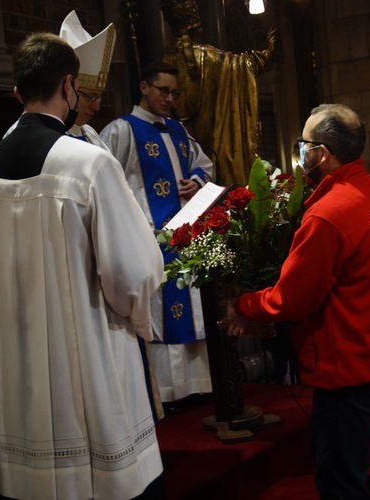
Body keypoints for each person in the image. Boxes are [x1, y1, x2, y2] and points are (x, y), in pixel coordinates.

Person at [0, 32, 165, 499]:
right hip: (88, 357)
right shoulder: (88, 165)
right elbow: (133, 271)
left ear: (18, 92)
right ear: (69, 86)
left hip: (13, 367)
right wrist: (135, 314)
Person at [226, 103, 370, 499]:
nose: (300, 152)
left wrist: (244, 304)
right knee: (351, 471)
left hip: (347, 363)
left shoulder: (329, 213)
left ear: (321, 153)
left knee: (340, 480)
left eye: (303, 144)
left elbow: (292, 299)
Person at [100, 61, 214, 409]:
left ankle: (198, 384)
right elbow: (104, 177)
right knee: (158, 315)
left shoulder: (180, 130)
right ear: (144, 87)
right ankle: (166, 392)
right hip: (148, 240)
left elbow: (204, 165)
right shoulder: (120, 131)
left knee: (190, 312)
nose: (169, 98)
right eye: (163, 90)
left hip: (186, 235)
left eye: (174, 92)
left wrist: (196, 180)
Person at [158, 0, 275, 186]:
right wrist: (264, 55)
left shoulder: (164, 60)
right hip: (210, 151)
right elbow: (238, 65)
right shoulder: (205, 57)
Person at [5, 10, 115, 148]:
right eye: (90, 97)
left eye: (99, 97)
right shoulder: (20, 136)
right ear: (68, 88)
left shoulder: (90, 135)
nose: (96, 106)